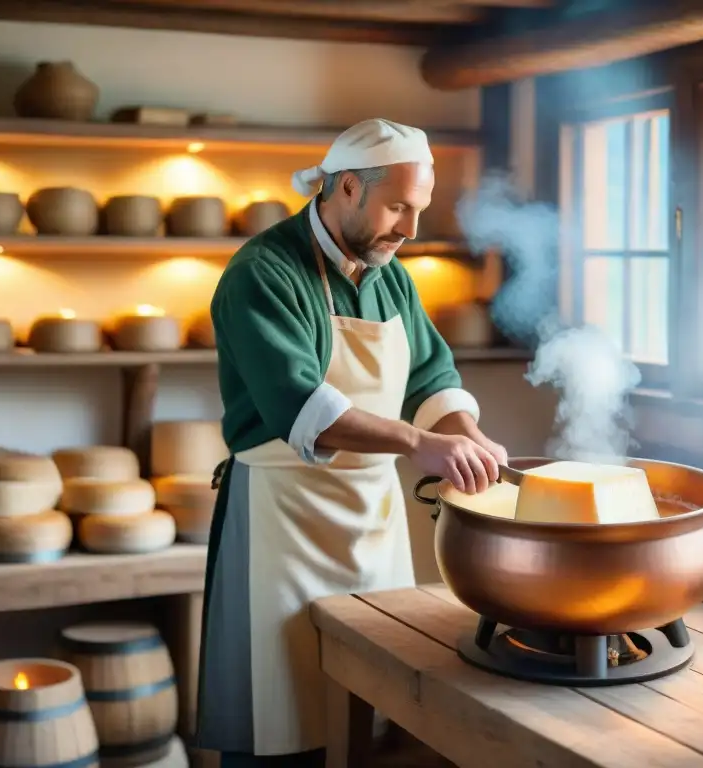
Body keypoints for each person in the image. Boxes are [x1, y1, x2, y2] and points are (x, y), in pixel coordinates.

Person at [194, 118, 508, 767]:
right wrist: (419, 443)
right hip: (281, 524)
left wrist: (468, 436)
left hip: (370, 519)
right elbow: (300, 405)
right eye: (397, 207)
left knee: (369, 709)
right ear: (342, 188)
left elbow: (431, 375)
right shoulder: (263, 272)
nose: (410, 229)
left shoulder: (391, 274)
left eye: (417, 209)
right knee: (280, 715)